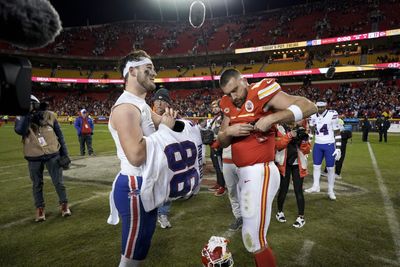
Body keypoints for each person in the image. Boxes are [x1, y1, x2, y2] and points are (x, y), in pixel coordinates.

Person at [217, 68, 317, 267]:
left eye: (236, 90)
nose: (233, 97)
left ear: (244, 81)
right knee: (250, 234)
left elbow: (309, 106)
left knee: (253, 239)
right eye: (228, 93)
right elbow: (222, 140)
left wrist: (272, 118)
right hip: (242, 174)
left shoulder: (262, 92)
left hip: (260, 171)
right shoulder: (227, 104)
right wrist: (230, 130)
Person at [107, 50, 184, 267]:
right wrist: (165, 131)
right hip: (134, 185)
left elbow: (168, 123)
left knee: (139, 251)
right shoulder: (125, 108)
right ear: (132, 71)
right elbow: (136, 156)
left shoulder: (141, 105)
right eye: (148, 69)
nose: (154, 73)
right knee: (131, 258)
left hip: (146, 183)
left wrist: (192, 130)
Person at [14, 95, 71, 222]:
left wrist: (65, 154)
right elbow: (19, 130)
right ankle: (40, 208)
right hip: (33, 156)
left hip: (53, 154)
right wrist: (27, 115)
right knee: (37, 184)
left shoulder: (50, 115)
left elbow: (60, 136)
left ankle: (64, 204)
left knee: (59, 182)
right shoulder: (22, 117)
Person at [275, 121, 311, 228]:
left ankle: (301, 217)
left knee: (298, 190)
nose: (292, 121)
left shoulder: (302, 130)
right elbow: (279, 145)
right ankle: (279, 212)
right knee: (283, 189)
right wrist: (290, 135)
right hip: (284, 164)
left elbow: (307, 150)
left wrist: (303, 141)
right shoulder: (280, 129)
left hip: (298, 164)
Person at [305, 101, 341, 200]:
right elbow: (311, 132)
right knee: (316, 166)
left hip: (329, 145)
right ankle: (316, 186)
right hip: (318, 145)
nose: (320, 109)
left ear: (326, 107)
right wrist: (308, 144)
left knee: (330, 168)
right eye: (318, 107)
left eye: (322, 107)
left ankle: (331, 190)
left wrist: (338, 148)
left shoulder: (332, 114)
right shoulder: (313, 116)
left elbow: (337, 132)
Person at [152, 88, 173, 229]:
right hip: (148, 159)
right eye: (157, 100)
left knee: (166, 187)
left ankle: (163, 214)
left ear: (168, 104)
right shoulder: (145, 116)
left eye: (163, 101)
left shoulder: (171, 118)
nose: (159, 104)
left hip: (165, 159)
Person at [207, 100, 226, 196]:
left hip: (218, 145)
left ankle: (222, 186)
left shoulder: (222, 117)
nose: (214, 108)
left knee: (220, 167)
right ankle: (219, 183)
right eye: (213, 106)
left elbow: (221, 132)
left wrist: (217, 143)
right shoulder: (216, 117)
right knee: (216, 166)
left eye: (216, 106)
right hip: (213, 144)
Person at [222, 144, 242, 231]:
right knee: (232, 191)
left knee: (247, 191)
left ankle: (250, 217)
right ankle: (239, 217)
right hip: (227, 161)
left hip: (244, 161)